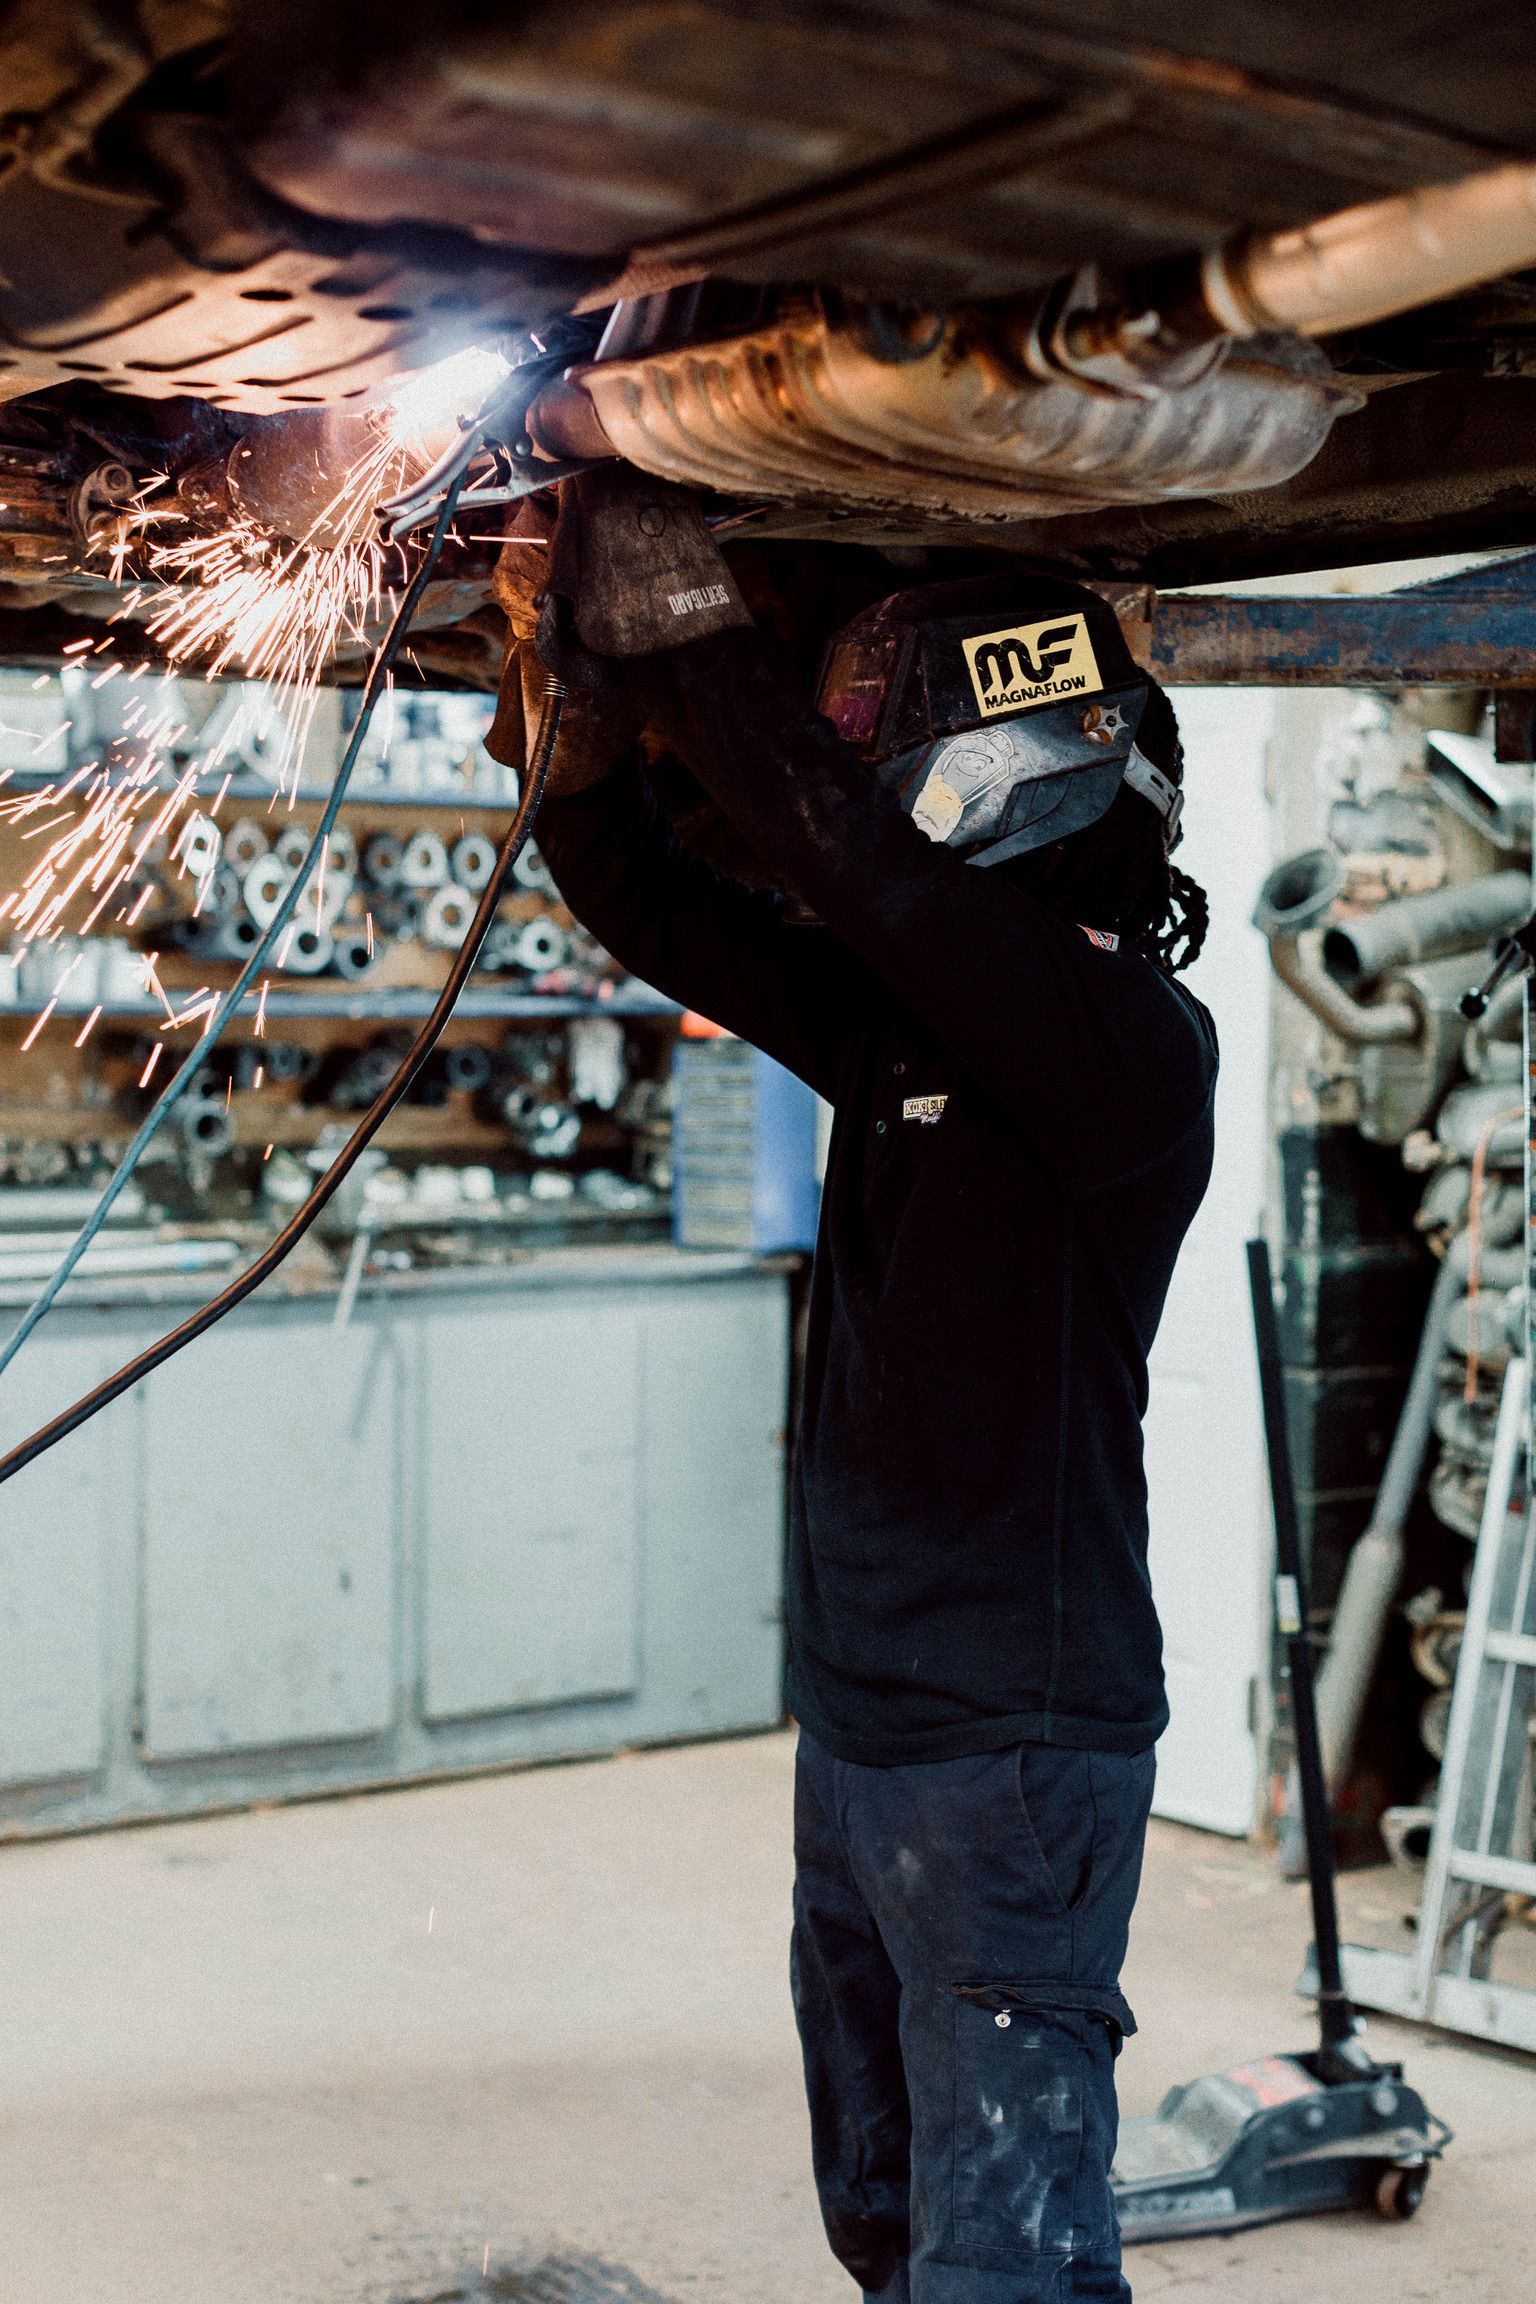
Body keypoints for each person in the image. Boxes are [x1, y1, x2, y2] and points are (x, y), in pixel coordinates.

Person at [490, 472, 1217, 2304]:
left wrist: (697, 644)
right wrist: (574, 735)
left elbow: (860, 879)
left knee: (1012, 2251)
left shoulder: (1124, 1044)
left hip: (1017, 1736)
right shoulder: (920, 1018)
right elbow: (661, 903)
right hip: (873, 1711)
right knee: (888, 2202)